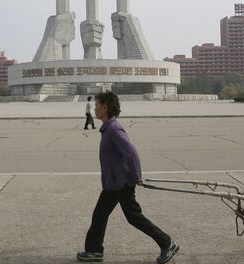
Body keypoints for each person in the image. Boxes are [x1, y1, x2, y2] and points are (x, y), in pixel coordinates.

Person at [77, 91, 179, 263]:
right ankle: (94, 250)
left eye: (97, 105)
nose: (94, 109)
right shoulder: (108, 128)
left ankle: (167, 243)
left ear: (105, 107)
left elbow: (131, 153)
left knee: (134, 218)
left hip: (122, 184)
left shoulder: (115, 129)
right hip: (112, 184)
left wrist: (137, 176)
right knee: (99, 215)